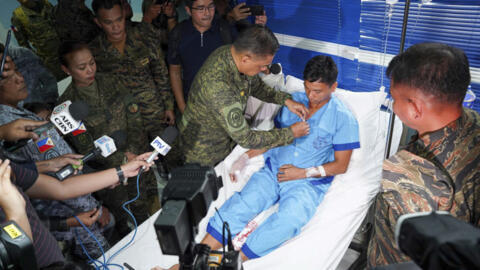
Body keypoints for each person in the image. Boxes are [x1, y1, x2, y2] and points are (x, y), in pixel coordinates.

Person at [202, 55, 359, 261]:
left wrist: (301, 173)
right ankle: (198, 256)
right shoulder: (294, 100)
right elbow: (275, 138)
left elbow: (341, 165)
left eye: (318, 91)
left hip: (306, 183)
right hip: (273, 171)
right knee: (243, 205)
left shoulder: (343, 118)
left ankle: (232, 262)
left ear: (333, 87)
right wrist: (247, 156)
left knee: (289, 221)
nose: (310, 95)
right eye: (307, 88)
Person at [367, 43, 480, 267]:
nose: (392, 103)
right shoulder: (474, 122)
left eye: (394, 97)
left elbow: (403, 257)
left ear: (415, 108)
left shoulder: (406, 173)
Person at [0, 61, 115, 260]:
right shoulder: (9, 125)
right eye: (5, 77)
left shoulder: (20, 113)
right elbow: (59, 182)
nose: (19, 79)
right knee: (106, 260)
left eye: (17, 70)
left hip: (80, 213)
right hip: (75, 219)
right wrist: (92, 209)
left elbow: (52, 164)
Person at [57, 41, 157, 235]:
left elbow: (133, 112)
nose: (90, 70)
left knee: (144, 203)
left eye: (92, 63)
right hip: (109, 173)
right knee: (122, 219)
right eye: (82, 67)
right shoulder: (67, 107)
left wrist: (134, 150)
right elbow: (86, 149)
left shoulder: (111, 81)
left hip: (135, 153)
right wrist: (122, 160)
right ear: (66, 70)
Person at [178, 25, 310, 167]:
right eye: (262, 66)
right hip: (204, 151)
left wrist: (286, 100)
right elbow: (247, 138)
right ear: (246, 59)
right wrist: (290, 133)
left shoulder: (232, 54)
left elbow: (257, 87)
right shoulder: (218, 87)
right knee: (204, 186)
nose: (265, 70)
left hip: (224, 138)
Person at [0, 152, 154, 269]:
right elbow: (18, 255)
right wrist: (15, 211)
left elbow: (60, 188)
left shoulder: (4, 170)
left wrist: (123, 171)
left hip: (56, 259)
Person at [90, 0, 175, 141]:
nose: (116, 27)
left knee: (170, 151)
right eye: (108, 22)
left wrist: (169, 106)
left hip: (154, 112)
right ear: (98, 22)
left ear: (124, 15)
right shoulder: (95, 50)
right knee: (138, 160)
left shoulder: (144, 35)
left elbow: (161, 73)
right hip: (126, 120)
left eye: (119, 19)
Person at [11, 0, 66, 81]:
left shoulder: (45, 4)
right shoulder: (17, 17)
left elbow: (61, 22)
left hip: (68, 51)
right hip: (52, 64)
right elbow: (23, 45)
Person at [0, 43, 58, 107]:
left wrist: (50, 104)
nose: (20, 79)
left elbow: (48, 79)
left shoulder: (22, 54)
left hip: (44, 108)